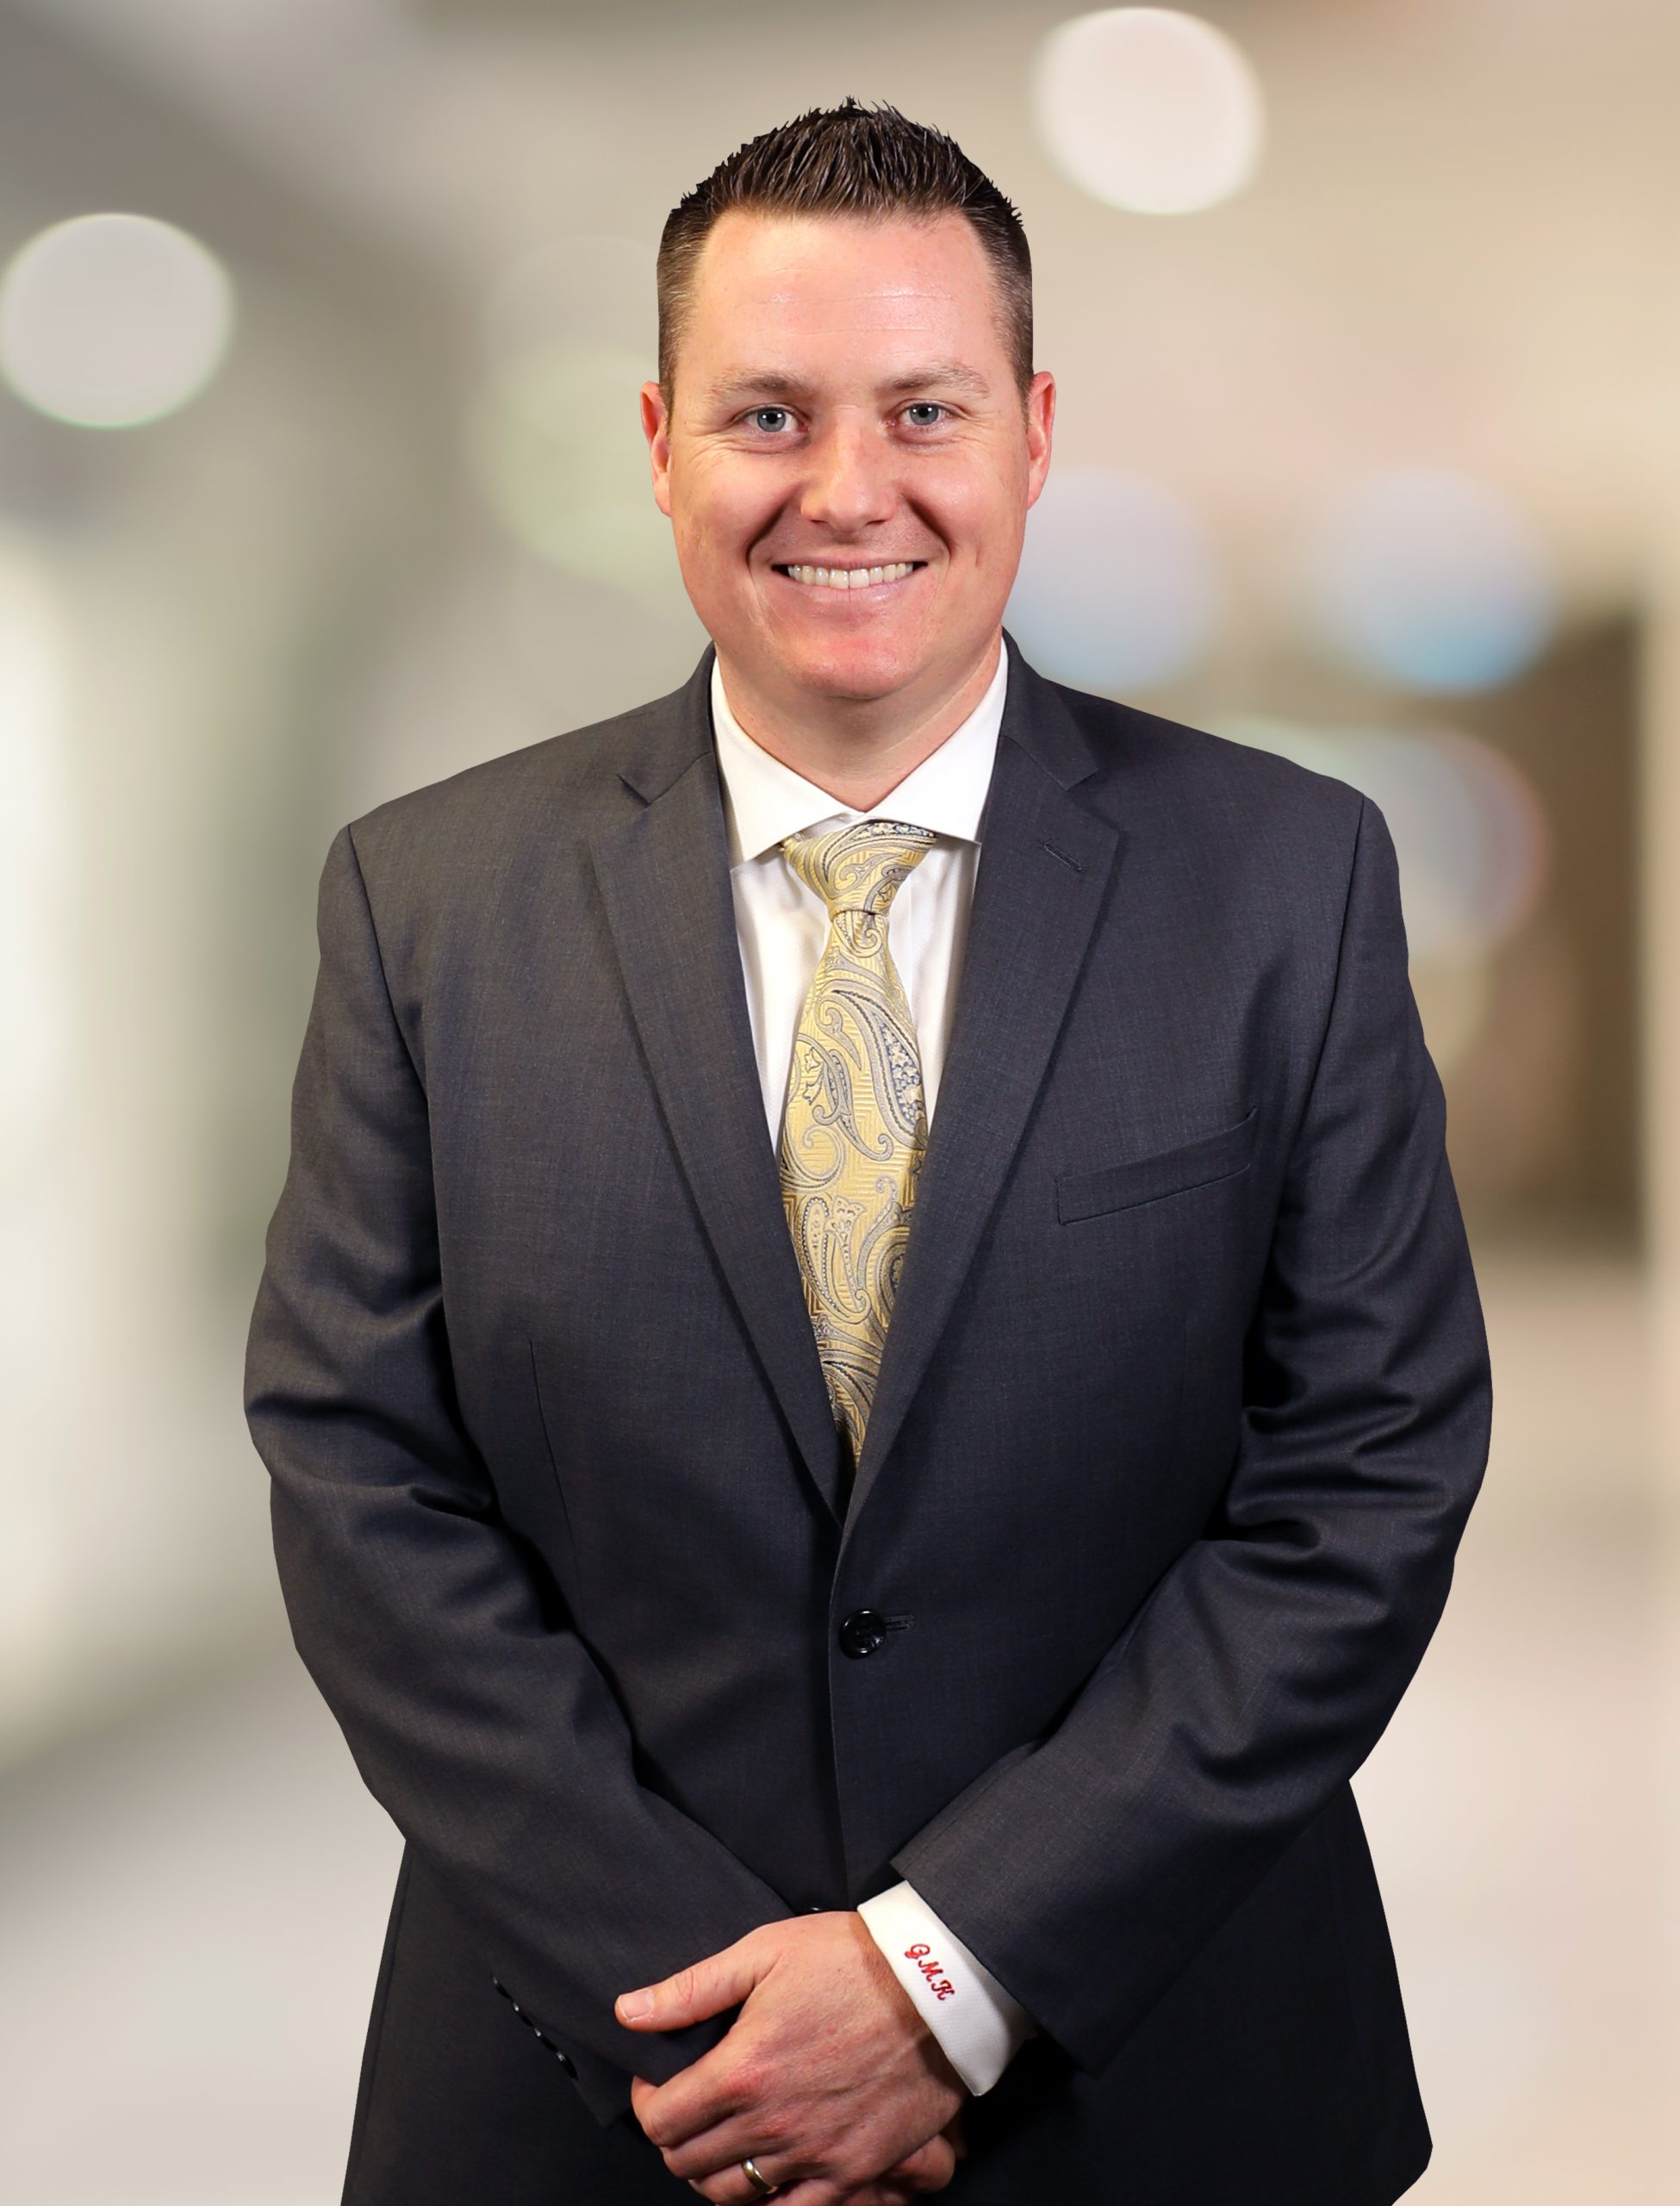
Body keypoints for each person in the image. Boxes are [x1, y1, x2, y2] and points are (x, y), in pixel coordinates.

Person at [244, 98, 1492, 2206]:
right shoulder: (429, 898)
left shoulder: (1288, 878)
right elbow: (361, 1478)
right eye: (766, 413)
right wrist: (723, 2006)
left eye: (924, 406)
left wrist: (943, 1972)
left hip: (1158, 2076)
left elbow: (1364, 1478)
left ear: (1031, 429)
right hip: (599, 2086)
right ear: (658, 444)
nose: (849, 489)